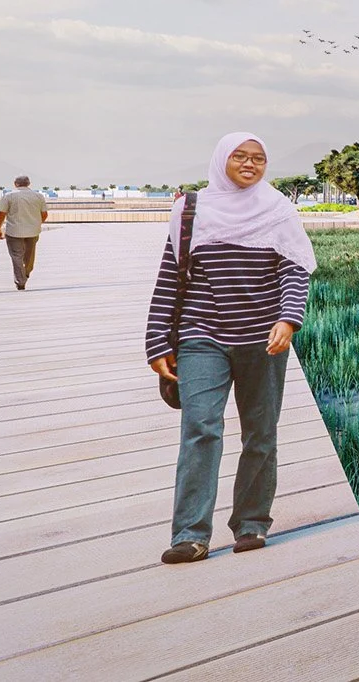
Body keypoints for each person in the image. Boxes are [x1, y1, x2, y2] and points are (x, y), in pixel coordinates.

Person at [146, 133, 314, 565]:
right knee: (201, 428)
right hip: (201, 335)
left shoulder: (278, 210)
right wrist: (156, 340)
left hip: (263, 337)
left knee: (261, 434)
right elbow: (170, 276)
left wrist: (288, 318)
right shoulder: (190, 210)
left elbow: (295, 269)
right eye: (239, 156)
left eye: (258, 158)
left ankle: (251, 522)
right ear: (221, 159)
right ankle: (190, 534)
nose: (249, 163)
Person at [0, 175, 49, 290]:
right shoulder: (38, 196)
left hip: (14, 231)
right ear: (29, 183)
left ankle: (20, 279)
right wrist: (36, 224)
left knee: (16, 256)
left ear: (15, 184)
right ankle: (26, 273)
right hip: (33, 231)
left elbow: (1, 215)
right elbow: (44, 214)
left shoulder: (9, 196)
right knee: (29, 255)